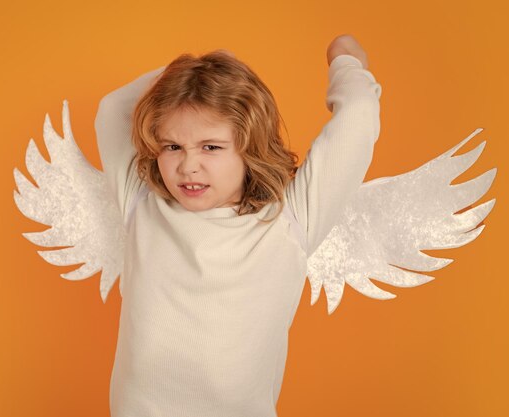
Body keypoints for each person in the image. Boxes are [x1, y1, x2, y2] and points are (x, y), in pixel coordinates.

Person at [94, 34, 382, 417]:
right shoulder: (141, 201)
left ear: (250, 147)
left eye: (211, 147)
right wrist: (194, 73)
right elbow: (112, 108)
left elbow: (360, 115)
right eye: (172, 146)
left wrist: (345, 59)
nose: (188, 166)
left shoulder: (291, 219)